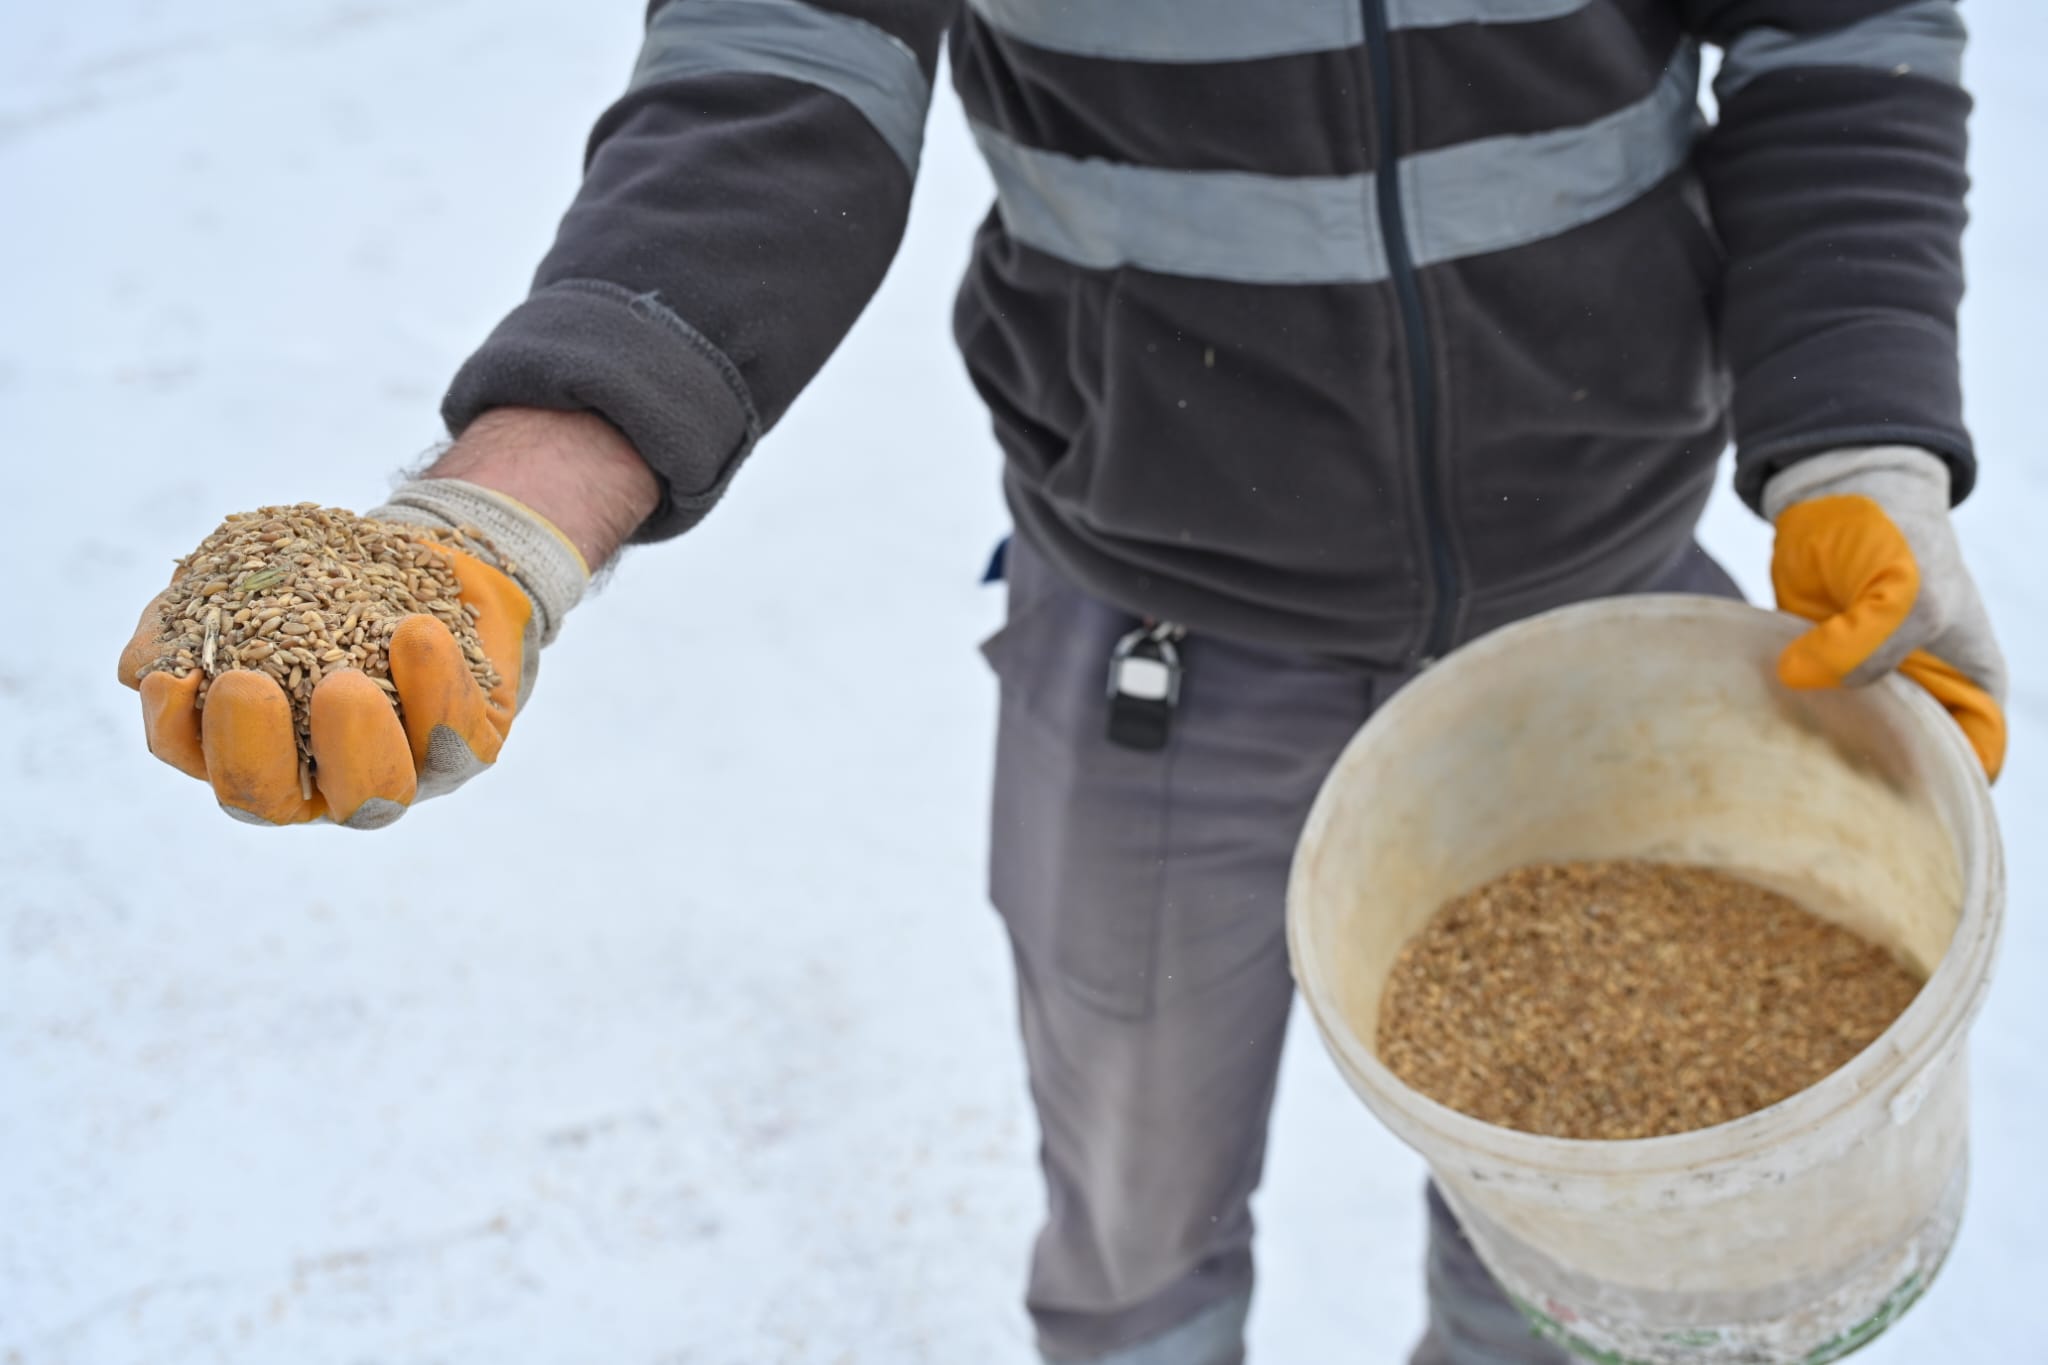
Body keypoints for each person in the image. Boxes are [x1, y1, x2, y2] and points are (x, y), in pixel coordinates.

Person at [118, 2, 2007, 1361]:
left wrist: (1860, 448)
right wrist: (521, 493)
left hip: (1598, 635)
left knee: (1572, 1190)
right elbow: (782, 63)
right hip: (1165, 637)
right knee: (1133, 1197)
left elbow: (1837, 40)